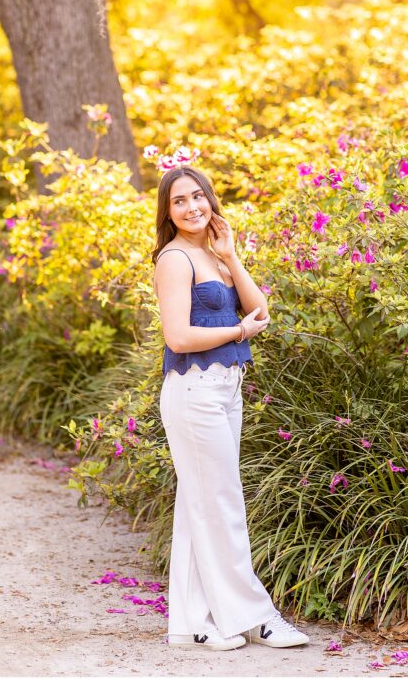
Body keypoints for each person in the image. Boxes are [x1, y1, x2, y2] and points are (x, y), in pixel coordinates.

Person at [153, 165, 310, 652]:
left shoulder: (212, 254)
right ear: (168, 210)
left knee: (200, 501)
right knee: (222, 503)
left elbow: (260, 310)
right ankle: (256, 618)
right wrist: (238, 333)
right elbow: (178, 336)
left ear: (210, 199)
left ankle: (192, 622)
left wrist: (232, 255)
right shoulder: (174, 259)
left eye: (198, 197)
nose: (191, 207)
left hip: (226, 389)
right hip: (194, 391)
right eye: (179, 201)